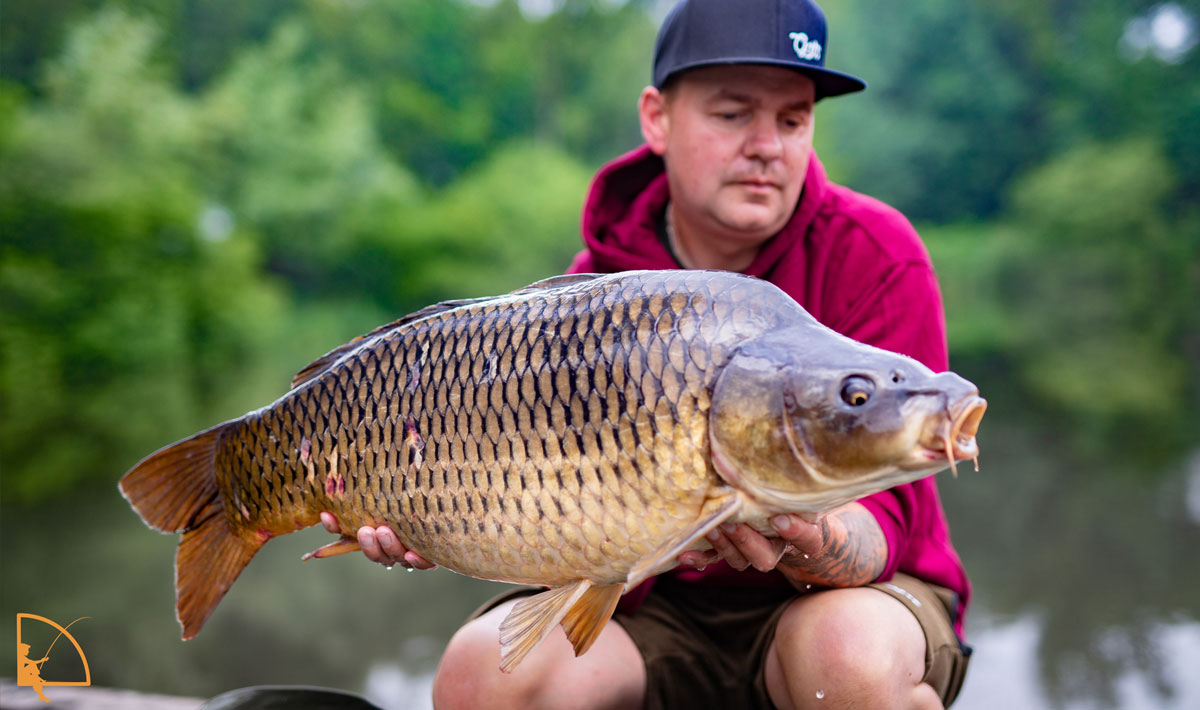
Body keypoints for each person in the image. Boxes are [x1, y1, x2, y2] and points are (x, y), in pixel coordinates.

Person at [323, 0, 971, 707]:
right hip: (654, 611)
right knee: (482, 674)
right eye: (732, 114)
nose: (768, 146)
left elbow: (896, 517)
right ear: (657, 117)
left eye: (792, 119)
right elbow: (555, 525)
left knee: (849, 656)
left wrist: (804, 533)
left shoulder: (874, 252)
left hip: (850, 601)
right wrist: (435, 521)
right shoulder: (593, 297)